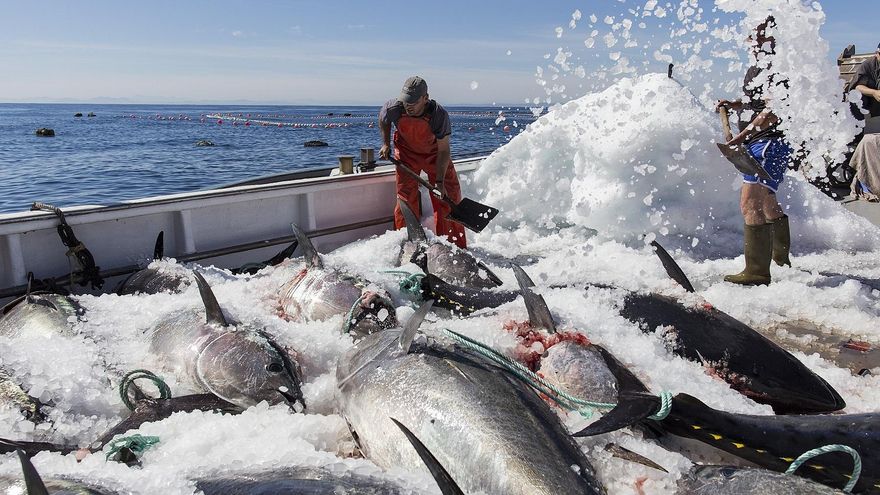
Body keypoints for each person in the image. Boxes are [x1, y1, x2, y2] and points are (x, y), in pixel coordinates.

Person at [715, 16, 792, 286]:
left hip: (768, 142)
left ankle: (757, 273)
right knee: (768, 202)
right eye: (754, 35)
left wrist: (741, 136)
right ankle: (780, 258)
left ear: (774, 38)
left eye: (764, 34)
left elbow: (773, 111)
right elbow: (756, 103)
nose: (757, 40)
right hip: (765, 143)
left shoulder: (776, 68)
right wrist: (734, 104)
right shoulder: (756, 68)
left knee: (749, 204)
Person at [379, 76, 467, 249]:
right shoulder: (394, 107)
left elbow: (443, 151)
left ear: (425, 98)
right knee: (405, 197)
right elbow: (383, 119)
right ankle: (407, 246)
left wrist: (440, 182)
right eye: (405, 101)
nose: (408, 105)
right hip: (406, 153)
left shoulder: (438, 115)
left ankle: (452, 247)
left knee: (448, 196)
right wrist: (385, 143)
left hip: (435, 155)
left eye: (413, 102)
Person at [848, 43, 880, 119]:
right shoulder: (868, 65)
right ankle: (858, 129)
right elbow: (858, 87)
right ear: (876, 54)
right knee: (855, 98)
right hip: (872, 100)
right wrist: (874, 93)